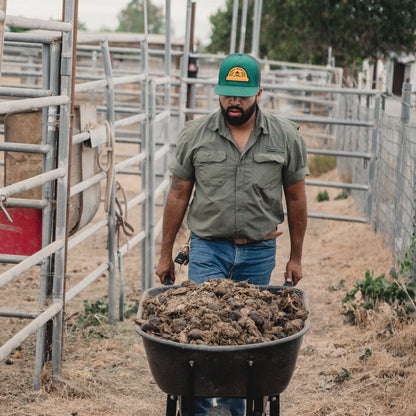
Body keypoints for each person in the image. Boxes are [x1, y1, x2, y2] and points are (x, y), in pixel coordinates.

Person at [156, 53, 309, 416]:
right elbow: (178, 194)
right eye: (227, 94)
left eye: (241, 95)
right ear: (218, 92)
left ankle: (231, 409)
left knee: (244, 340)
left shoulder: (284, 137)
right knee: (203, 333)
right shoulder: (196, 135)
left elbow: (297, 198)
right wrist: (165, 254)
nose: (234, 102)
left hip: (258, 252)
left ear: (258, 91)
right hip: (209, 248)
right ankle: (198, 407)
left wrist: (296, 255)